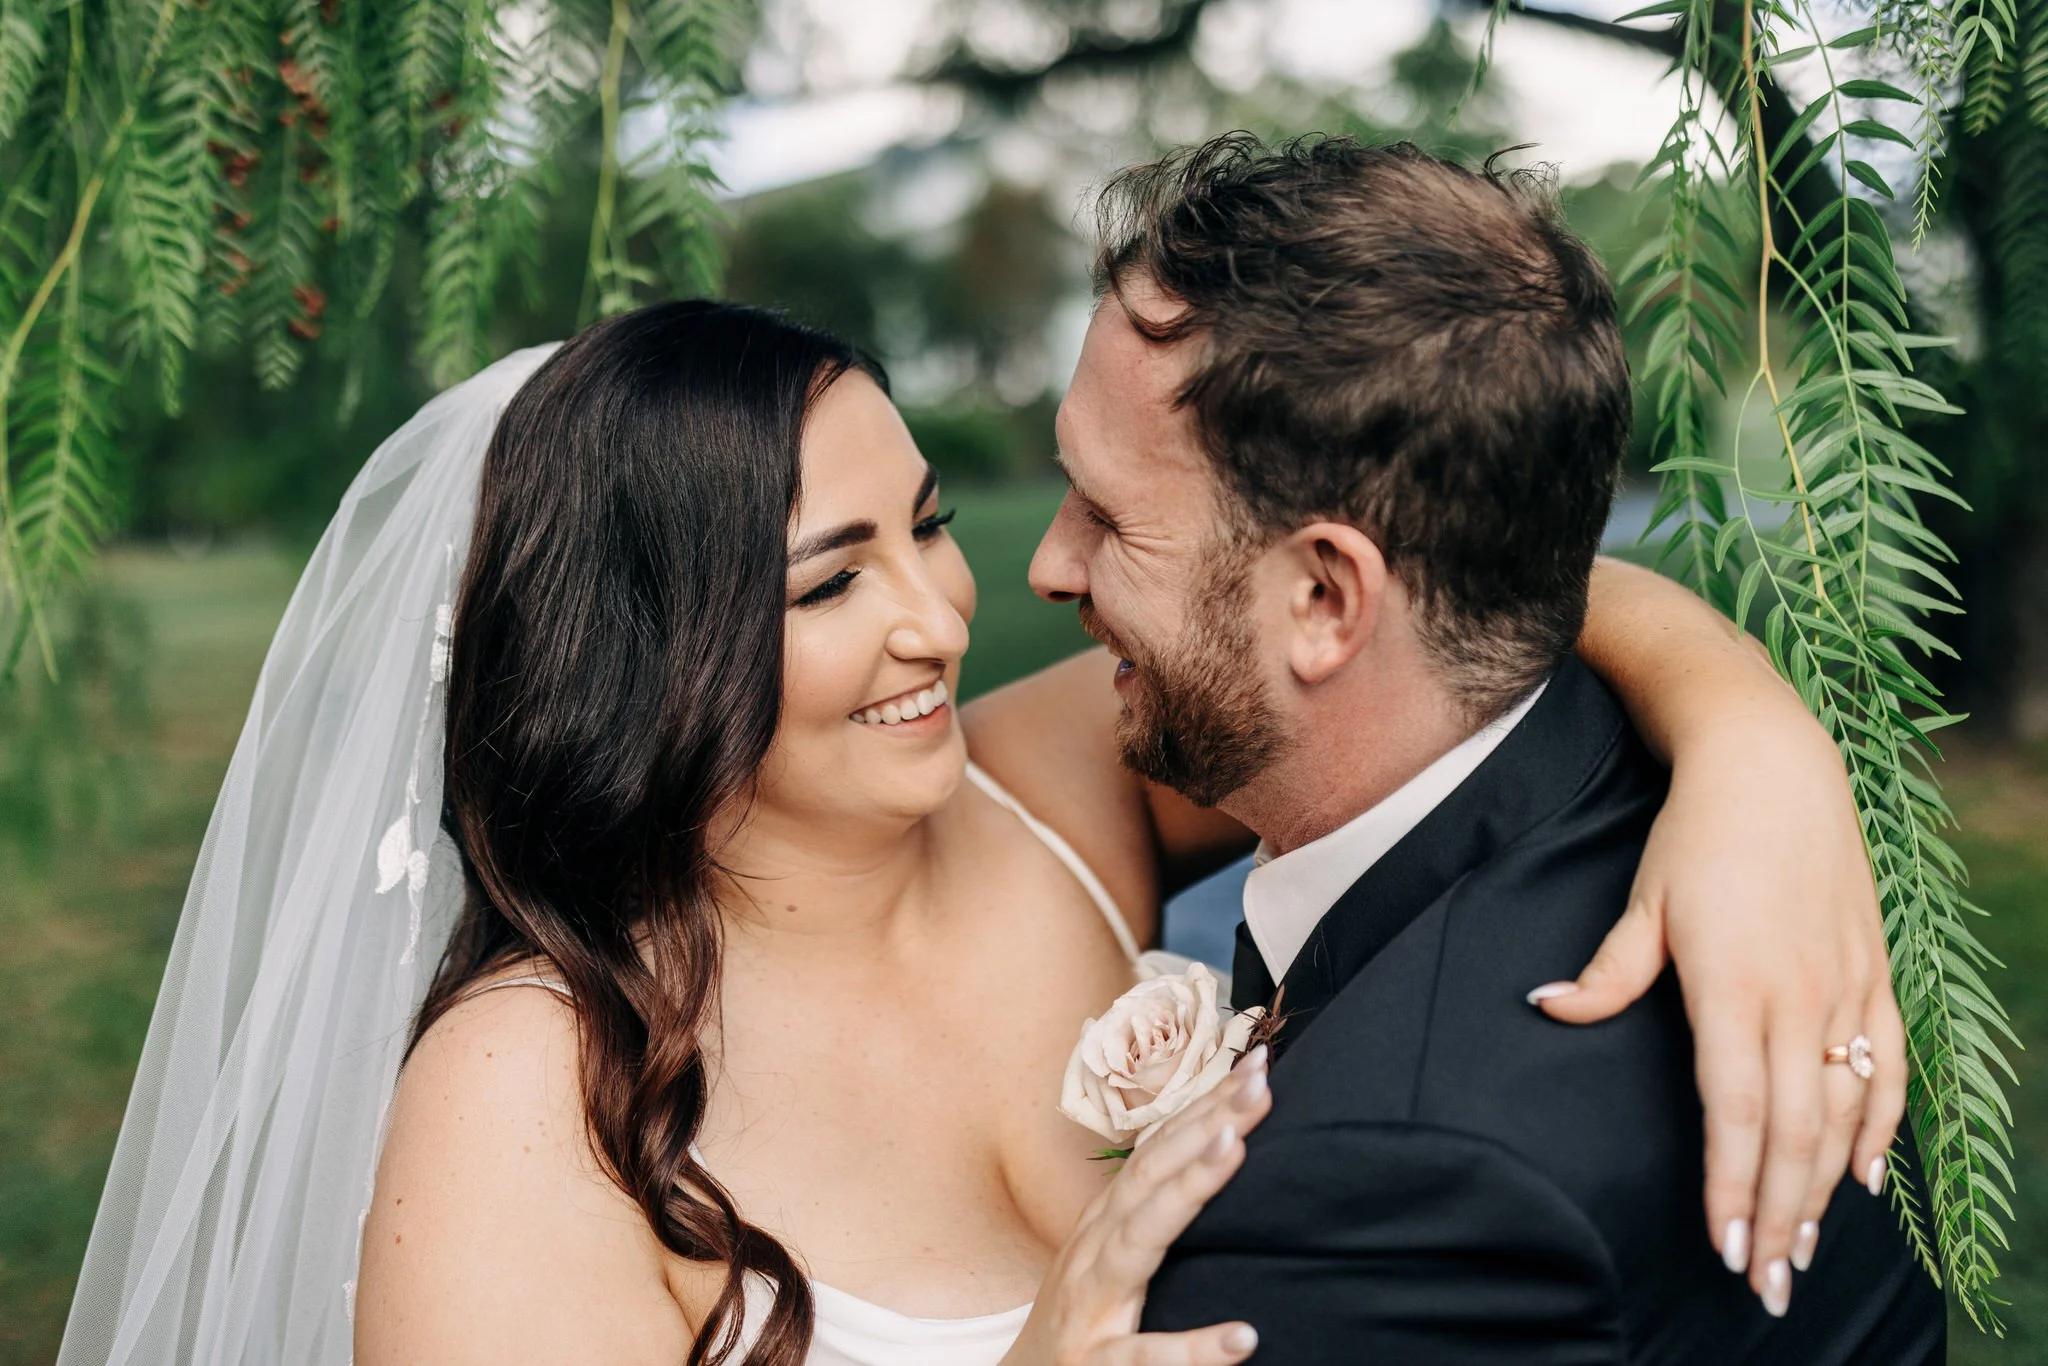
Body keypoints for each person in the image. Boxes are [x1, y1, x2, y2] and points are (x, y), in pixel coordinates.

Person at [61, 308, 1903, 1366]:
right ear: (642, 658)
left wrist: (1752, 748)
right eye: (831, 581)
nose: (941, 617)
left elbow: (1424, 618)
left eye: (927, 524)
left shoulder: (1040, 784)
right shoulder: (529, 1095)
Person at [1022, 134, 1945, 1361]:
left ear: (1325, 599)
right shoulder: (1626, 772)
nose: (1049, 564)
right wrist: (1746, 721)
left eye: (1106, 513)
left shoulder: (1379, 1193)